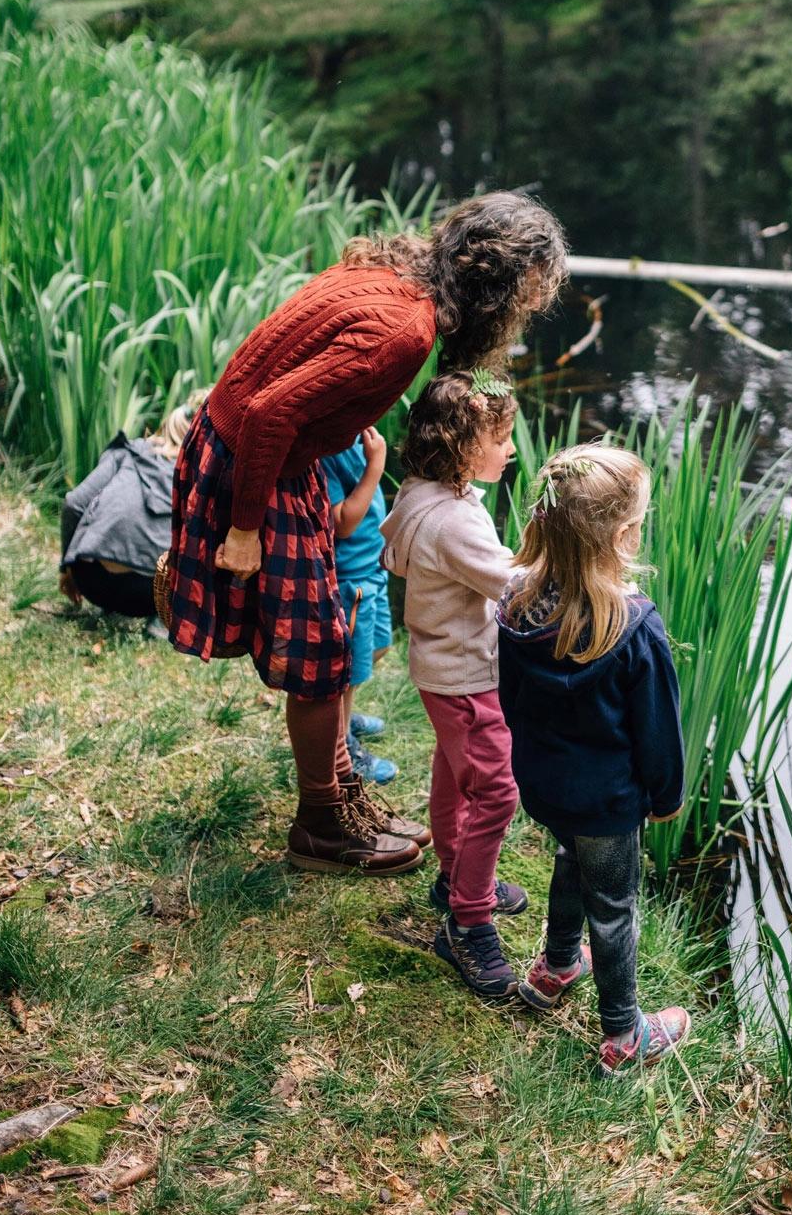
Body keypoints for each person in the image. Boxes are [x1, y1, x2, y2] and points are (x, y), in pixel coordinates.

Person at [163, 191, 566, 877]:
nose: (526, 315)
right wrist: (243, 528)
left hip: (268, 462)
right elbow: (266, 414)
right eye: (529, 298)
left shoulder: (394, 278)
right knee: (319, 656)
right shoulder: (401, 331)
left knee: (330, 638)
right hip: (254, 465)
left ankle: (342, 794)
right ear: (497, 286)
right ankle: (320, 824)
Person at [496, 443, 691, 1074]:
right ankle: (624, 1034)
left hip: (547, 787)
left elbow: (510, 700)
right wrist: (666, 798)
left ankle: (556, 966)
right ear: (626, 534)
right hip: (606, 800)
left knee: (566, 861)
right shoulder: (634, 627)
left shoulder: (517, 607)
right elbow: (657, 731)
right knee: (613, 905)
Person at [380, 372, 529, 1000]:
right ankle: (468, 922)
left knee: (452, 773)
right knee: (496, 794)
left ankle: (453, 875)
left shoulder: (421, 495)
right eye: (502, 438)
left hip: (439, 669)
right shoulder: (455, 523)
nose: (513, 448)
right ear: (467, 450)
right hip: (468, 675)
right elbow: (517, 589)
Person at [60, 396, 205, 631]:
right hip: (148, 593)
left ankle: (109, 607)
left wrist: (67, 567)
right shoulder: (199, 475)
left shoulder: (127, 451)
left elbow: (73, 504)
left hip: (89, 578)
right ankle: (162, 622)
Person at [321, 427, 398, 785]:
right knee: (348, 673)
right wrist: (375, 467)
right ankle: (343, 746)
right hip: (351, 576)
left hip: (373, 566)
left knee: (379, 645)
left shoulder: (358, 435)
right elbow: (342, 523)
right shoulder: (327, 449)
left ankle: (343, 718)